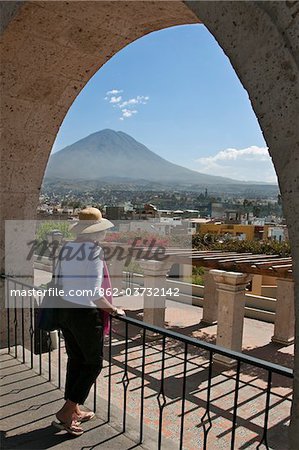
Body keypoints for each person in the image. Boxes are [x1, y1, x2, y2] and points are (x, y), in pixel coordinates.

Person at [52, 207, 125, 436]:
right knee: (93, 363)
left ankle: (73, 408)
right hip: (84, 314)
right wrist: (114, 309)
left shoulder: (67, 248)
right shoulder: (93, 252)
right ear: (96, 231)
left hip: (65, 310)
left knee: (76, 359)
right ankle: (66, 411)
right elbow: (94, 293)